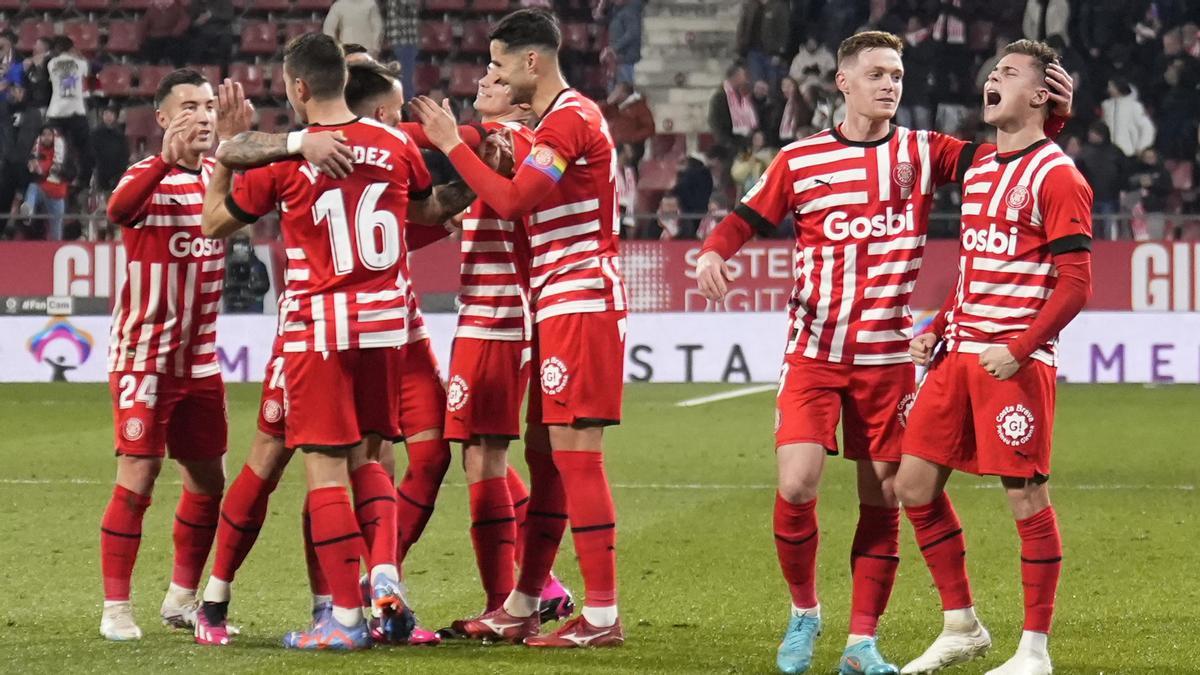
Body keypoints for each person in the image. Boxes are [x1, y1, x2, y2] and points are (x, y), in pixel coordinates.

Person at [694, 30, 1073, 675]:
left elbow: (1011, 155)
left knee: (886, 496)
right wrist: (711, 253)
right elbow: (746, 218)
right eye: (875, 73)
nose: (890, 85)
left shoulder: (926, 153)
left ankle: (861, 640)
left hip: (889, 358)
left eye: (897, 74)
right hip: (814, 351)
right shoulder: (801, 159)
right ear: (843, 83)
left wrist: (1055, 111)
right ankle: (804, 612)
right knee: (797, 483)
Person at [199, 35, 473, 650]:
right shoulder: (398, 143)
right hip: (386, 330)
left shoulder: (287, 161)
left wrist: (227, 147)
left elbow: (213, 222)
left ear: (298, 88)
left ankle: (343, 619)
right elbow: (430, 211)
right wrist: (488, 174)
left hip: (319, 331)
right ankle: (383, 577)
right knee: (370, 461)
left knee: (323, 470)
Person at [411, 7, 627, 647]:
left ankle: (603, 617)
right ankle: (522, 603)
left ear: (531, 62)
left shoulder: (572, 118)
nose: (494, 74)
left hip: (581, 296)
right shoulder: (549, 123)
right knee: (544, 455)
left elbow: (511, 200)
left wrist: (451, 141)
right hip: (554, 304)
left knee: (577, 459)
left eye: (500, 64)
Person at [896, 39, 1093, 675]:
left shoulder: (1058, 175)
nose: (992, 78)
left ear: (1040, 94)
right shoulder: (981, 168)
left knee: (1026, 499)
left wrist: (1020, 347)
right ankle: (961, 625)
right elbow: (975, 267)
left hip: (1014, 363)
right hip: (957, 358)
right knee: (913, 485)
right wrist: (939, 323)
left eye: (1008, 72)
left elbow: (1076, 283)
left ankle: (1034, 650)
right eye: (993, 71)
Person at [97, 67, 246, 642]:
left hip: (200, 360)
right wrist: (163, 159)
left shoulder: (218, 178)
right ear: (162, 118)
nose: (203, 115)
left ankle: (182, 597)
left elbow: (256, 203)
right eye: (189, 106)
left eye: (209, 105)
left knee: (210, 479)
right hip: (144, 357)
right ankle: (116, 608)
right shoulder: (145, 175)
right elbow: (118, 212)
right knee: (140, 471)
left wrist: (239, 150)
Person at [46, 37, 91, 189]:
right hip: (76, 111)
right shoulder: (80, 63)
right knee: (83, 148)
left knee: (57, 147)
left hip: (56, 112)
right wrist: (78, 56)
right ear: (71, 49)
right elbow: (87, 71)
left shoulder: (51, 64)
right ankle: (82, 180)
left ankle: (55, 177)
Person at [1076, 121, 1124, 238]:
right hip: (1090, 197)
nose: (1090, 135)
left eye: (1094, 133)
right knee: (1090, 226)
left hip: (1110, 196)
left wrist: (1120, 188)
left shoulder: (1115, 152)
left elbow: (1123, 172)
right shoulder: (1084, 152)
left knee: (1109, 227)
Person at [22, 124, 68, 240]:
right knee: (33, 187)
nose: (46, 137)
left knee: (56, 229)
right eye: (43, 135)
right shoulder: (34, 153)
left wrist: (42, 168)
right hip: (42, 189)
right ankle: (28, 211)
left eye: (49, 135)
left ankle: (55, 248)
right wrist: (31, 169)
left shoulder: (64, 153)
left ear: (53, 136)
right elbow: (31, 172)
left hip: (57, 193)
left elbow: (70, 171)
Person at [736, 0, 791, 87]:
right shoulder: (750, 5)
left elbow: (784, 31)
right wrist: (740, 48)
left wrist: (779, 53)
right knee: (756, 85)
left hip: (772, 53)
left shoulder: (779, 6)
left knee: (772, 84)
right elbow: (743, 27)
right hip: (753, 52)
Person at [1101, 78, 1156, 158]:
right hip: (1109, 151)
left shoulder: (1135, 106)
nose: (1109, 89)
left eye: (1111, 87)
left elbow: (1147, 128)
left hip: (1129, 152)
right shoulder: (1107, 106)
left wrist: (1142, 147)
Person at [709, 63, 757, 153]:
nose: (746, 80)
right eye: (743, 76)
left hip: (745, 144)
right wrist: (727, 144)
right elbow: (715, 122)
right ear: (735, 77)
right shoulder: (720, 97)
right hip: (729, 146)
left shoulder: (744, 96)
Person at [601, 81, 654, 162]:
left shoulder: (638, 107)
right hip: (613, 142)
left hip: (628, 143)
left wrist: (631, 138)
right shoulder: (613, 108)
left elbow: (649, 128)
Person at [600, 0, 643, 88]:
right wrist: (601, 8)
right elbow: (603, 20)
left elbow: (632, 33)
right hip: (618, 60)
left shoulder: (631, 10)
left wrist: (614, 48)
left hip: (627, 59)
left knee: (624, 91)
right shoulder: (616, 9)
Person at [383, 0, 420, 99]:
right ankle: (405, 102)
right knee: (404, 77)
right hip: (402, 43)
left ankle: (406, 102)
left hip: (406, 43)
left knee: (406, 77)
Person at [93, 106, 130, 193]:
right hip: (102, 170)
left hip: (117, 171)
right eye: (106, 114)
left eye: (111, 114)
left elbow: (125, 152)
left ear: (114, 117)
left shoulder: (119, 135)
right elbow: (92, 151)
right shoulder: (96, 134)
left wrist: (123, 167)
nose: (108, 117)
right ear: (102, 116)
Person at [141, 0, 190, 66]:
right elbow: (144, 25)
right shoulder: (152, 10)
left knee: (177, 47)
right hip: (155, 38)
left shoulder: (177, 8)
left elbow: (185, 20)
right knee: (150, 48)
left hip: (171, 37)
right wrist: (140, 39)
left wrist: (176, 31)